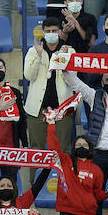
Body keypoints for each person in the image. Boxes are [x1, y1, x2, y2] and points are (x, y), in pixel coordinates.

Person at [47, 121, 107, 215]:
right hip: (67, 213)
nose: (81, 147)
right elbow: (54, 146)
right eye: (78, 145)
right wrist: (51, 125)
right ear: (73, 148)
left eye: (84, 145)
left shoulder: (96, 170)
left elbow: (98, 195)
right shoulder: (66, 162)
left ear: (90, 148)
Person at [21, 24, 76, 154]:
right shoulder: (33, 51)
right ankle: (36, 175)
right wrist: (39, 56)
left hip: (62, 108)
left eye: (54, 31)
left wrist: (61, 59)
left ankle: (61, 175)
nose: (51, 33)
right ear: (43, 33)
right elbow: (29, 76)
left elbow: (72, 80)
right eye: (48, 31)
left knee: (62, 150)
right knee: (36, 150)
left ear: (59, 32)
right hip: (37, 109)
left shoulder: (69, 51)